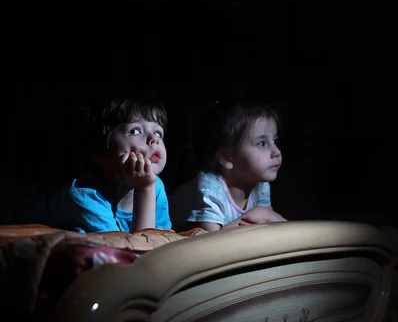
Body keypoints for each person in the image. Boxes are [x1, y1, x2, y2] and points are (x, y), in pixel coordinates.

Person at [2, 95, 173, 233]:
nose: (154, 140)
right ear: (99, 153)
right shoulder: (84, 196)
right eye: (135, 131)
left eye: (158, 133)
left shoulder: (155, 186)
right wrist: (144, 189)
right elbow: (134, 255)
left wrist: (147, 188)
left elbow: (160, 243)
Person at [169, 100, 287, 232]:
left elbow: (268, 225)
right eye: (262, 143)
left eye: (274, 141)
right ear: (227, 157)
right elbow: (209, 243)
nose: (277, 151)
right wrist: (255, 215)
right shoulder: (209, 188)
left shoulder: (260, 185)